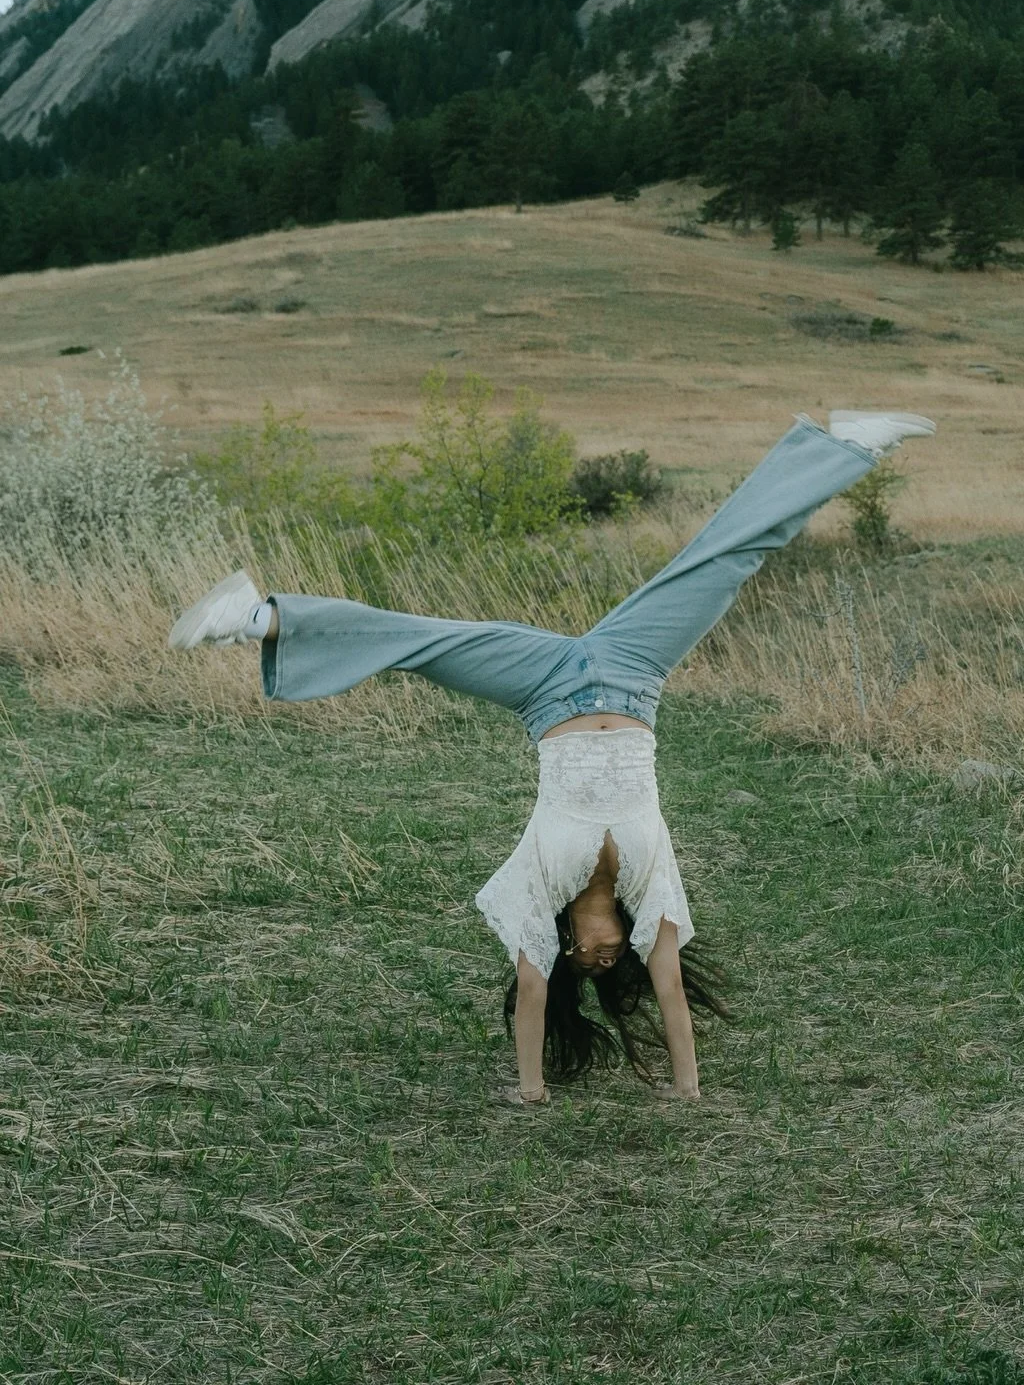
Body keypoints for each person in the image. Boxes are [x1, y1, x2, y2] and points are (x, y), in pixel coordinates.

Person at [168, 409, 935, 1103]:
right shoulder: (652, 891)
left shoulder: (538, 888)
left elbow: (531, 994)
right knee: (723, 564)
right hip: (633, 677)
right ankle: (845, 445)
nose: (599, 965)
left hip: (545, 689)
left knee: (423, 641)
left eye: (584, 967)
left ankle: (257, 616)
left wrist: (530, 1089)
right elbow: (669, 988)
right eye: (608, 969)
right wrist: (687, 1088)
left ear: (567, 945)